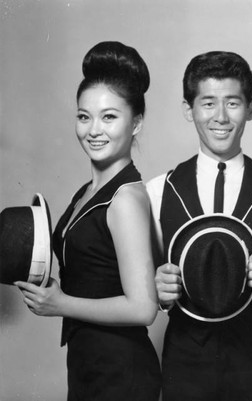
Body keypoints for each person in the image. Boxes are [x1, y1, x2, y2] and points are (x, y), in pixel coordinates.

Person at [15, 41, 161, 401]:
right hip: (89, 362)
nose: (93, 130)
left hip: (120, 371)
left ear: (137, 122)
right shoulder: (89, 190)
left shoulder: (125, 198)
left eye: (109, 116)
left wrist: (60, 303)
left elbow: (143, 308)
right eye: (84, 116)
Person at [147, 50, 252, 401]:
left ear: (251, 108)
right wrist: (156, 290)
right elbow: (139, 289)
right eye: (208, 103)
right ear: (187, 109)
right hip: (185, 363)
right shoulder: (157, 191)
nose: (220, 117)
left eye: (233, 103)